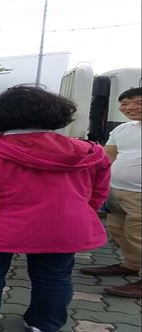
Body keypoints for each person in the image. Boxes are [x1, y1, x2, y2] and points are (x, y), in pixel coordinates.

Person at [0, 86, 111, 332]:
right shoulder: (90, 152)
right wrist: (82, 214)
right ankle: (44, 325)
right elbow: (97, 192)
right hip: (64, 228)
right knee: (54, 278)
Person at [80, 87, 142, 298]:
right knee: (119, 231)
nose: (130, 108)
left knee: (138, 235)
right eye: (125, 103)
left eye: (138, 103)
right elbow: (107, 159)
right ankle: (131, 264)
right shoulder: (122, 130)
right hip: (116, 191)